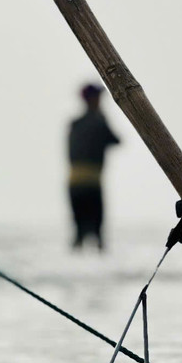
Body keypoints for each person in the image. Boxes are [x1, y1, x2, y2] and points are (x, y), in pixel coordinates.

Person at [67, 84, 120, 250]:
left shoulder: (75, 123)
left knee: (79, 230)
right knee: (97, 231)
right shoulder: (99, 122)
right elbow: (116, 140)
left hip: (74, 181)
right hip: (92, 182)